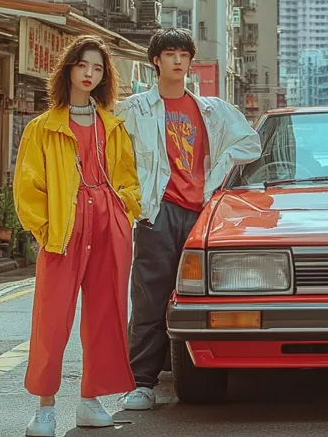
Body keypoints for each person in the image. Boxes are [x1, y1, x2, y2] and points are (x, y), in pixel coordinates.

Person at [116, 28, 261, 411]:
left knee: (201, 294)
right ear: (156, 61)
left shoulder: (211, 109)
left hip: (201, 211)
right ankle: (142, 382)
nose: (178, 60)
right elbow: (112, 149)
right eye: (170, 54)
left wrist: (220, 166)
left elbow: (251, 142)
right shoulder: (135, 108)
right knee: (150, 296)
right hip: (158, 211)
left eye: (184, 54)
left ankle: (196, 369)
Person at [14, 36, 142, 437]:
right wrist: (46, 229)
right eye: (83, 65)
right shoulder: (43, 128)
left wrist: (123, 209)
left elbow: (128, 177)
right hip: (63, 229)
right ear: (68, 69)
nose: (89, 74)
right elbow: (27, 186)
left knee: (106, 314)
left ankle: (91, 400)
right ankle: (45, 408)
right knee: (51, 319)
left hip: (108, 224)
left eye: (98, 68)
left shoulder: (113, 126)